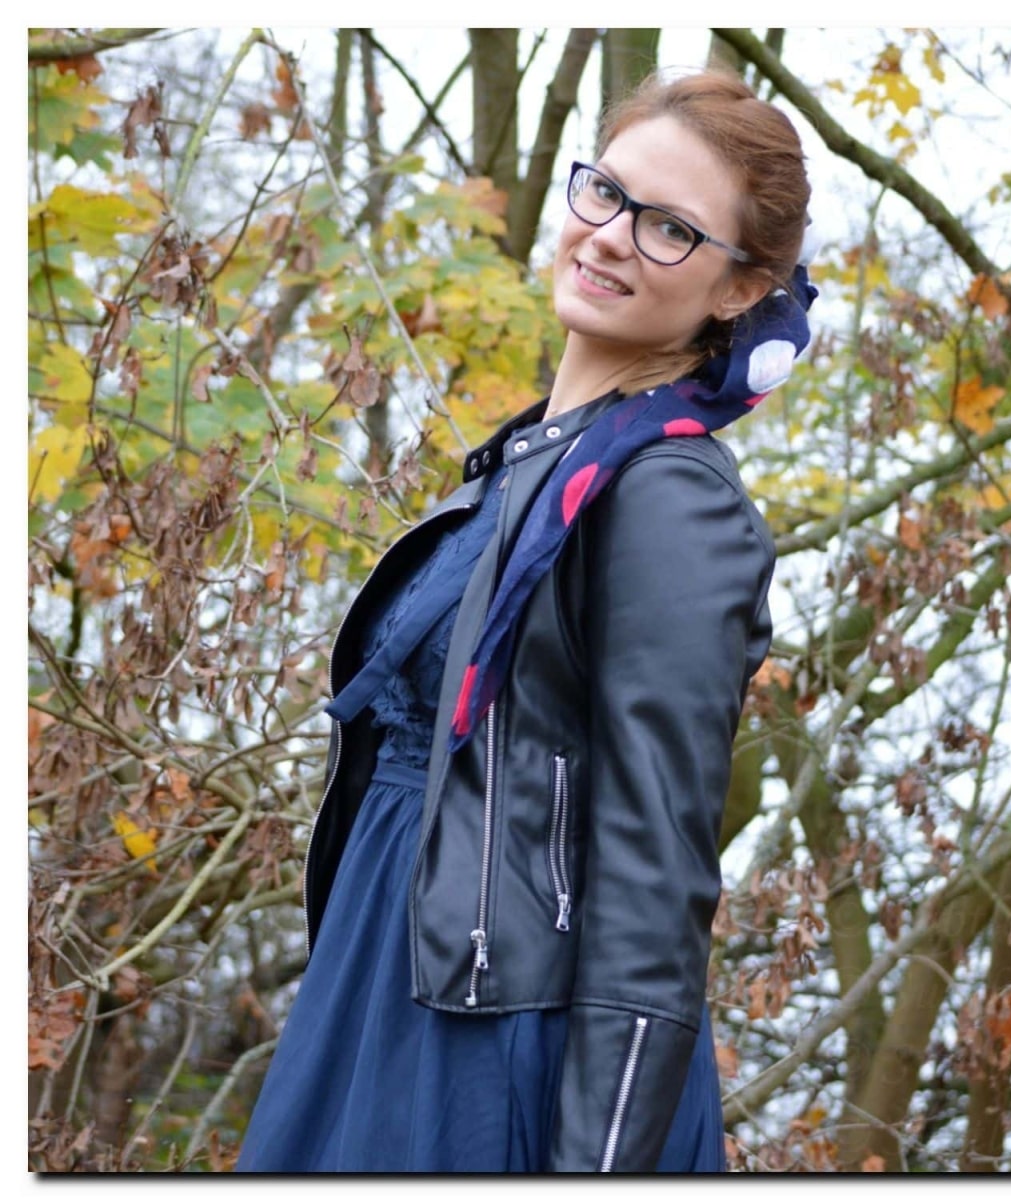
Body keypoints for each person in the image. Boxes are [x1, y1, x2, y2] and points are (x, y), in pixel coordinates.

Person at [235, 67, 815, 1174]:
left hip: (501, 1053)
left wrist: (597, 1164)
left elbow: (655, 875)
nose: (610, 237)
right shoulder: (532, 462)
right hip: (386, 993)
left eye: (670, 229)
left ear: (740, 287)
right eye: (606, 192)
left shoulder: (667, 498)